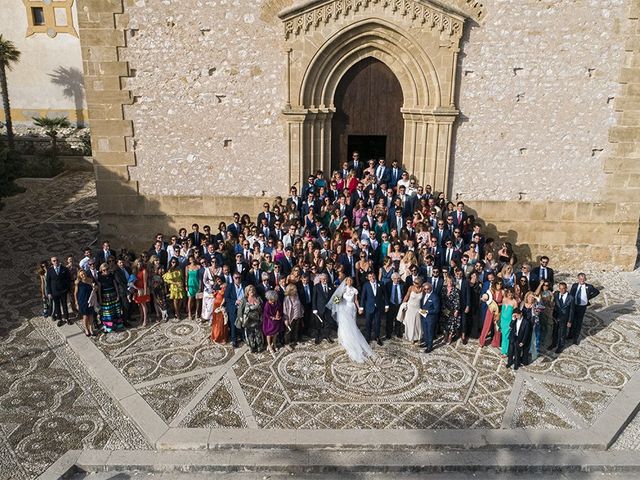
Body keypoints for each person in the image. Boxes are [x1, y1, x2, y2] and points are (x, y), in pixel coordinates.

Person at [327, 277, 375, 363]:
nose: (349, 282)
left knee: (352, 325)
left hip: (352, 308)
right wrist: (338, 302)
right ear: (345, 282)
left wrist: (359, 307)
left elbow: (356, 300)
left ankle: (353, 337)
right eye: (347, 281)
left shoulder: (355, 290)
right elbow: (336, 299)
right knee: (344, 324)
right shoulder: (343, 289)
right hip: (344, 309)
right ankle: (344, 339)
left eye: (350, 281)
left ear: (352, 282)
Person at [568, 273, 600, 345]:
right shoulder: (575, 285)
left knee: (579, 323)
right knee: (572, 320)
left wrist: (588, 298)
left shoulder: (589, 287)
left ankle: (575, 339)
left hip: (582, 307)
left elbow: (597, 292)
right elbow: (571, 294)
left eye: (583, 279)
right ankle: (570, 335)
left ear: (585, 279)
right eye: (580, 278)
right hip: (574, 306)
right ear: (578, 279)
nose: (582, 280)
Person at [360, 271, 387, 345]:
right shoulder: (366, 285)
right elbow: (363, 297)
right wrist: (361, 307)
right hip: (369, 307)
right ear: (368, 278)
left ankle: (377, 337)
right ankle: (367, 338)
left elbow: (385, 295)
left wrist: (386, 305)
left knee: (377, 322)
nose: (372, 278)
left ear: (375, 276)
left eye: (373, 276)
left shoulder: (380, 284)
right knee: (368, 323)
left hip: (378, 307)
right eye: (370, 277)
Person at [97, 263, 124, 333]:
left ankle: (118, 325)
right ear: (101, 270)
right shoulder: (100, 277)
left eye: (107, 269)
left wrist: (118, 295)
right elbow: (99, 289)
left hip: (113, 295)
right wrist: (100, 298)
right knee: (108, 312)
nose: (106, 271)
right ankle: (109, 327)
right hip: (105, 297)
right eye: (104, 270)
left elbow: (115, 285)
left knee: (116, 310)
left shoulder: (111, 275)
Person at [46, 256, 72, 327]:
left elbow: (68, 279)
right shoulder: (50, 270)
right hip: (54, 291)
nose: (56, 262)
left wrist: (68, 289)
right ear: (52, 262)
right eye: (54, 261)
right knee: (57, 306)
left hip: (63, 290)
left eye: (57, 260)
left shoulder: (64, 269)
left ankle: (66, 318)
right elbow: (48, 282)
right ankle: (60, 319)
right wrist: (49, 292)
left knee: (64, 305)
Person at [237, 285, 264, 353]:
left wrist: (258, 306)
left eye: (253, 290)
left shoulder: (258, 298)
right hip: (248, 321)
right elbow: (240, 310)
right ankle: (252, 348)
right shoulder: (244, 299)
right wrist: (241, 319)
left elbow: (262, 308)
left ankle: (259, 347)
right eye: (250, 290)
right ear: (247, 292)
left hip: (256, 320)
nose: (252, 291)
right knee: (250, 335)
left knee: (258, 334)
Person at [550, 282, 574, 354]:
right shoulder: (557, 294)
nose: (561, 290)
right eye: (560, 288)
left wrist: (570, 321)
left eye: (563, 288)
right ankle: (554, 344)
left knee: (562, 333)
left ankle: (560, 346)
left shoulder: (571, 297)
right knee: (555, 332)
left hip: (564, 318)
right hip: (556, 316)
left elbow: (572, 310)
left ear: (566, 288)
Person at [312, 273, 335, 344]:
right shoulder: (317, 286)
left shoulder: (331, 286)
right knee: (318, 324)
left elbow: (335, 296)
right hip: (319, 308)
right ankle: (317, 337)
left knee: (327, 323)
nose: (324, 280)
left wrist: (335, 304)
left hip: (328, 309)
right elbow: (314, 298)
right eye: (323, 279)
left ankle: (327, 336)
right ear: (320, 280)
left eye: (326, 278)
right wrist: (314, 308)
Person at [399, 276, 424, 343]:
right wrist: (403, 304)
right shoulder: (411, 288)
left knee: (418, 324)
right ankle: (411, 337)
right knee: (410, 323)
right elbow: (407, 296)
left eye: (416, 283)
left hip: (418, 308)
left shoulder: (423, 289)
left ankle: (418, 337)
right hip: (410, 308)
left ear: (420, 283)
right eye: (414, 282)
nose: (414, 284)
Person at [224, 273, 245, 348]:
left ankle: (243, 336)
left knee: (243, 322)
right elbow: (226, 298)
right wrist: (235, 301)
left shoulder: (244, 285)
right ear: (233, 278)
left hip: (243, 308)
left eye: (239, 277)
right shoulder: (230, 286)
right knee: (233, 324)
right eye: (236, 278)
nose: (238, 279)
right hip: (234, 307)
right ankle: (234, 339)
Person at [74, 269, 97, 336]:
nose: (83, 275)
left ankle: (91, 328)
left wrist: (95, 288)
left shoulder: (90, 280)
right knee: (85, 316)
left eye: (84, 274)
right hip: (82, 301)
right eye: (81, 275)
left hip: (90, 300)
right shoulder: (78, 283)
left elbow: (95, 287)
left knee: (91, 315)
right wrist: (76, 302)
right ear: (79, 276)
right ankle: (86, 329)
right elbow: (75, 293)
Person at [419, 281, 440, 352]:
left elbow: (436, 310)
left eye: (428, 289)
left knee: (430, 332)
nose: (426, 290)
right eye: (425, 289)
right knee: (425, 331)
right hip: (424, 317)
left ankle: (430, 346)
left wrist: (427, 312)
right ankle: (426, 343)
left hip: (431, 318)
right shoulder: (424, 295)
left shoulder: (435, 297)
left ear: (431, 288)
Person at [440, 275, 461, 344]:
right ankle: (445, 336)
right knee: (444, 323)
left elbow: (457, 300)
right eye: (448, 281)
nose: (450, 282)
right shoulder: (443, 288)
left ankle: (450, 337)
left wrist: (456, 310)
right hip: (444, 309)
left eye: (451, 281)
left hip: (452, 309)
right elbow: (441, 299)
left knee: (452, 324)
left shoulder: (456, 290)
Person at [262, 290, 283, 356]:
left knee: (275, 333)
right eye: (271, 300)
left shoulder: (276, 302)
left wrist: (278, 313)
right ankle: (269, 345)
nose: (272, 301)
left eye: (273, 300)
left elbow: (279, 308)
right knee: (269, 333)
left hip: (276, 320)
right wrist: (273, 318)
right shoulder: (267, 305)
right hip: (269, 321)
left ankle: (274, 343)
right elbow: (267, 314)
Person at [282, 283, 303, 349]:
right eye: (294, 289)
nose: (296, 290)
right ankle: (287, 343)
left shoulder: (297, 295)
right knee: (288, 330)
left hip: (297, 315)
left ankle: (295, 340)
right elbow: (285, 309)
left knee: (296, 329)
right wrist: (286, 319)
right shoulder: (286, 298)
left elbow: (299, 304)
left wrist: (302, 312)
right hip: (290, 317)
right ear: (290, 290)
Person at [131, 258, 150, 327]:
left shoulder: (144, 271)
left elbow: (145, 282)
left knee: (143, 305)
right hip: (137, 289)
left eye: (140, 263)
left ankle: (145, 319)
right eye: (138, 263)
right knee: (139, 305)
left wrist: (145, 291)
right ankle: (141, 318)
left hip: (142, 289)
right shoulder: (135, 271)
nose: (139, 265)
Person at [500, 289, 518, 356]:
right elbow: (502, 310)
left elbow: (515, 314)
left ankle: (505, 351)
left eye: (511, 294)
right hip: (503, 320)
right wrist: (500, 321)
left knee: (506, 336)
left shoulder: (514, 302)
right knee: (503, 335)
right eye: (509, 294)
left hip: (509, 321)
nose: (510, 295)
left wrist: (512, 323)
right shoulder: (504, 299)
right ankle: (503, 349)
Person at [210, 277, 228, 344]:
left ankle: (221, 337)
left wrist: (222, 305)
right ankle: (215, 335)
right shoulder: (216, 286)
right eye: (217, 280)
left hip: (220, 307)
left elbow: (225, 297)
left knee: (221, 322)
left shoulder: (225, 286)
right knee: (215, 321)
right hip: (215, 306)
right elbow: (214, 294)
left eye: (219, 280)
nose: (218, 281)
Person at [185, 255, 201, 320]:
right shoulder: (187, 267)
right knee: (190, 299)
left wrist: (200, 286)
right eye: (190, 259)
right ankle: (190, 313)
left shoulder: (198, 267)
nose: (192, 260)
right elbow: (186, 277)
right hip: (190, 284)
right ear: (189, 260)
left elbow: (200, 278)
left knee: (197, 299)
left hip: (197, 284)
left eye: (192, 259)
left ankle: (197, 312)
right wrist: (186, 285)